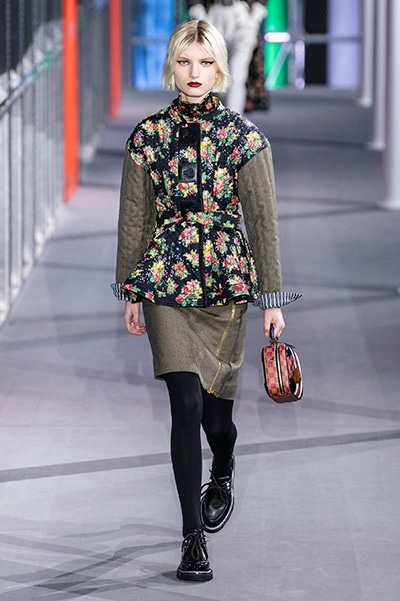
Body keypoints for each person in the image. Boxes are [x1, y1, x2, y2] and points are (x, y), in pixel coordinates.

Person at [112, 19, 300, 582]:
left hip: (224, 285)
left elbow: (263, 221)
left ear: (219, 69)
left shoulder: (244, 138)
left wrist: (271, 299)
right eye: (184, 62)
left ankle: (223, 462)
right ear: (171, 67)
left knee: (216, 417)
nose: (194, 73)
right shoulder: (147, 137)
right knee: (186, 405)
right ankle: (192, 538)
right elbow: (134, 218)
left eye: (205, 63)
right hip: (165, 282)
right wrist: (130, 289)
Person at [187, 0, 268, 113]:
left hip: (242, 13)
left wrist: (257, 12)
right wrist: (197, 10)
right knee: (213, 75)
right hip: (213, 13)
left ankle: (232, 120)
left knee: (237, 75)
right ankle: (220, 116)